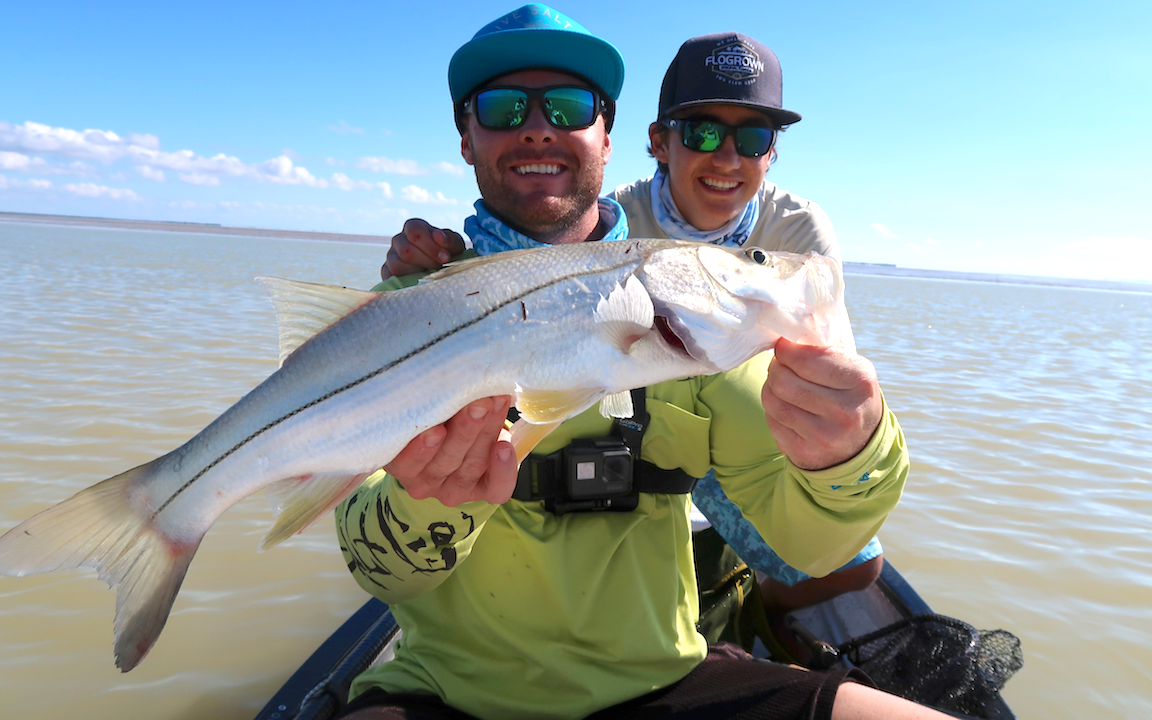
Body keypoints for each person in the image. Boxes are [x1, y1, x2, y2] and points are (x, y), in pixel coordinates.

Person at [334, 5, 940, 719]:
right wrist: (426, 501)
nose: (537, 126)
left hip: (664, 685)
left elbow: (810, 545)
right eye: (502, 108)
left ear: (607, 137)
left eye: (569, 105)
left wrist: (849, 456)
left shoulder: (697, 317)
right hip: (446, 692)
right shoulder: (398, 306)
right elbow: (379, 571)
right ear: (466, 141)